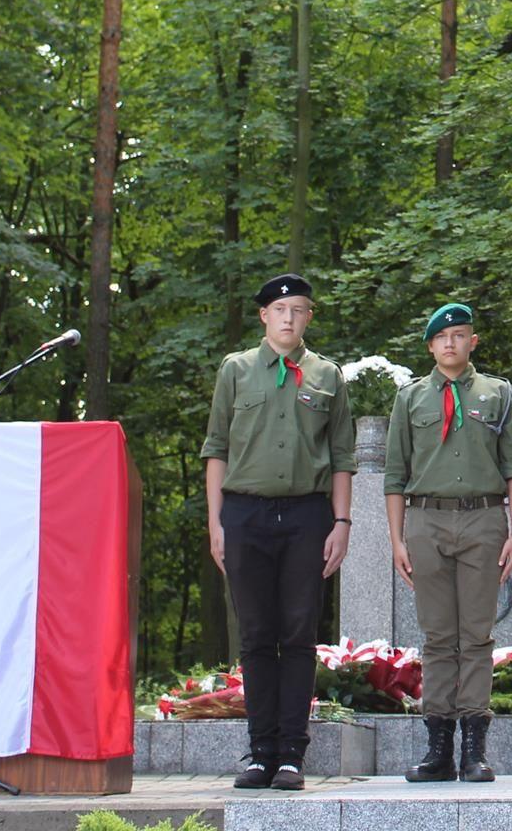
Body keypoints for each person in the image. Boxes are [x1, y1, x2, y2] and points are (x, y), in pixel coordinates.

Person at [202, 273, 355, 791]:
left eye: (300, 309)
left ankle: (291, 753)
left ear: (309, 317)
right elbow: (217, 449)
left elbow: (341, 458)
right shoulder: (237, 371)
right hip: (245, 515)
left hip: (306, 516)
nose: (290, 317)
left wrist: (341, 523)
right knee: (255, 636)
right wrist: (216, 522)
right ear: (264, 315)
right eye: (280, 309)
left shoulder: (327, 375)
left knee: (298, 635)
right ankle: (259, 751)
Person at [384, 302, 512, 784]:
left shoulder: (498, 394)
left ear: (472, 342)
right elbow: (394, 475)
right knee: (438, 636)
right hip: (426, 521)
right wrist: (396, 539)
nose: (451, 343)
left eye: (460, 335)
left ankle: (474, 748)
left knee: (478, 637)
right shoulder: (411, 399)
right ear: (430, 345)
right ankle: (438, 747)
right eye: (442, 338)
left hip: (483, 519)